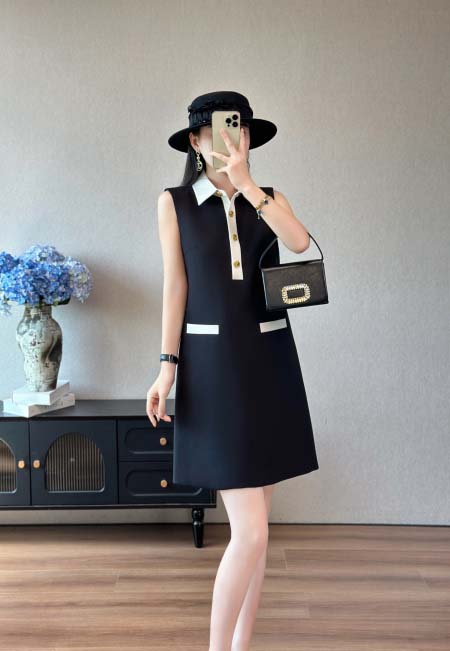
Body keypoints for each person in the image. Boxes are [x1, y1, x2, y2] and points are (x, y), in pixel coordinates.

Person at [146, 91, 319, 651]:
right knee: (251, 531)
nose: (229, 139)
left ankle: (241, 646)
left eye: (237, 129)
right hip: (214, 371)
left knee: (258, 530)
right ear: (195, 142)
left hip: (270, 364)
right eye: (218, 131)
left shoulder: (268, 198)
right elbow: (176, 286)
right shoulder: (174, 203)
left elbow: (299, 242)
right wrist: (167, 368)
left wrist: (247, 185)